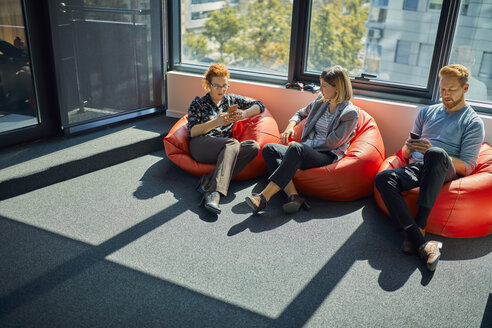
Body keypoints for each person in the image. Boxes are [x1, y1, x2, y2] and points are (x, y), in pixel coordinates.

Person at [375, 64, 485, 271]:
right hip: (418, 166)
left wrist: (435, 150)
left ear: (465, 89)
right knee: (383, 178)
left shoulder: (472, 122)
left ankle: (421, 223)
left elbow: (468, 166)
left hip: (445, 169)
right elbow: (406, 152)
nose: (445, 94)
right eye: (443, 89)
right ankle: (419, 239)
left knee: (435, 154)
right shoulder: (427, 112)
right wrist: (408, 148)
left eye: (451, 89)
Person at [245, 65, 358, 214]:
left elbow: (332, 143)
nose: (320, 89)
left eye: (324, 86)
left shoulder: (349, 114)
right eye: (320, 85)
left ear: (337, 87)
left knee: (296, 148)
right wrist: (290, 126)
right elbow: (300, 113)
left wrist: (304, 145)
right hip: (307, 150)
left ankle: (263, 197)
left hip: (326, 155)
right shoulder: (321, 101)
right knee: (269, 149)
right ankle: (294, 196)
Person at [187, 63, 265, 215]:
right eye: (217, 86)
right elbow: (193, 132)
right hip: (200, 145)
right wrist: (217, 121)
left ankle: (209, 180)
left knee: (253, 146)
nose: (222, 90)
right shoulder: (198, 103)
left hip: (224, 148)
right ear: (208, 85)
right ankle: (214, 193)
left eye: (225, 85)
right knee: (232, 143)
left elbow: (260, 105)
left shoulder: (230, 99)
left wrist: (244, 114)